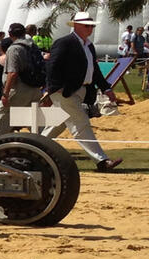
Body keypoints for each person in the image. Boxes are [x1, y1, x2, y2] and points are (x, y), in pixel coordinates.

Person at [40, 12, 122, 172]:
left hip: (81, 90)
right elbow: (52, 65)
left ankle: (33, 148)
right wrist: (55, 87)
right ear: (76, 26)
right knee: (81, 123)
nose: (90, 29)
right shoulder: (64, 42)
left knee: (57, 125)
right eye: (86, 26)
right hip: (65, 92)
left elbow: (95, 70)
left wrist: (106, 88)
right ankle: (102, 161)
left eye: (91, 26)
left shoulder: (89, 45)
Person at [0, 23, 40, 136]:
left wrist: (5, 93)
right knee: (35, 122)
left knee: (2, 121)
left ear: (10, 34)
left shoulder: (14, 48)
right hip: (35, 88)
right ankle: (45, 143)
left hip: (18, 89)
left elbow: (12, 73)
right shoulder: (32, 46)